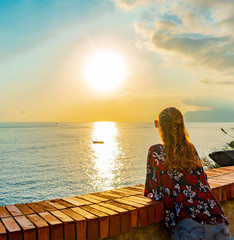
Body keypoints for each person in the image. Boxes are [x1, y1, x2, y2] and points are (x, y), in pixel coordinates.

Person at [144, 107, 232, 240]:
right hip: (218, 221)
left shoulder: (156, 151)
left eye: (157, 124)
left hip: (190, 226)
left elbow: (153, 191)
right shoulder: (190, 149)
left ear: (161, 127)